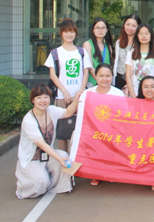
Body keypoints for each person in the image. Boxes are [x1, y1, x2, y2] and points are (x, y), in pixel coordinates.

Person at [15, 84, 84, 199]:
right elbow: (41, 144)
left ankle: (55, 185)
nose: (43, 101)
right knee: (40, 182)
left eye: (46, 97)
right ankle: (31, 183)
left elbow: (68, 112)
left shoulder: (51, 110)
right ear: (33, 100)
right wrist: (59, 159)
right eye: (39, 98)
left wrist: (76, 100)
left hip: (46, 154)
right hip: (31, 158)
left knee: (63, 155)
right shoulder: (28, 120)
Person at [45, 18, 93, 152]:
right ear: (61, 33)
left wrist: (80, 91)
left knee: (79, 129)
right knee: (62, 131)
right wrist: (64, 91)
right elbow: (53, 75)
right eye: (66, 31)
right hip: (62, 96)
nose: (69, 34)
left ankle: (75, 157)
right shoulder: (55, 53)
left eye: (72, 31)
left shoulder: (81, 52)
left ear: (75, 33)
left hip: (79, 96)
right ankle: (64, 158)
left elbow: (86, 72)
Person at [84, 63, 124, 187]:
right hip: (93, 130)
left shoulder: (118, 93)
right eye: (101, 76)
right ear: (95, 77)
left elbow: (124, 115)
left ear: (112, 76)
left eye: (108, 76)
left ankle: (111, 172)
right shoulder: (88, 93)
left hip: (113, 129)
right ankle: (96, 174)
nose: (105, 79)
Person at [136, 76, 154, 191]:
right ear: (141, 89)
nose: (149, 90)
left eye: (152, 87)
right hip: (140, 141)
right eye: (146, 87)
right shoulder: (135, 105)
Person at [125, 23, 154, 98]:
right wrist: (133, 96)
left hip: (151, 94)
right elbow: (128, 77)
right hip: (135, 93)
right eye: (141, 33)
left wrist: (151, 93)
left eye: (146, 33)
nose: (144, 36)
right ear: (137, 36)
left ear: (151, 35)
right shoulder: (131, 54)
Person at [113, 14, 142, 93]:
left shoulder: (141, 44)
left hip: (135, 79)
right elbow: (117, 62)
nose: (130, 28)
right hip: (120, 77)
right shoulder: (118, 42)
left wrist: (130, 83)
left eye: (133, 26)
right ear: (124, 25)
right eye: (128, 24)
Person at [83, 18, 114, 89]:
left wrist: (106, 81)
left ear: (107, 30)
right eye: (97, 28)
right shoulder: (87, 44)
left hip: (106, 83)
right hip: (93, 83)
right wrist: (100, 80)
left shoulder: (108, 46)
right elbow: (90, 67)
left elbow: (110, 66)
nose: (100, 30)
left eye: (103, 28)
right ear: (93, 30)